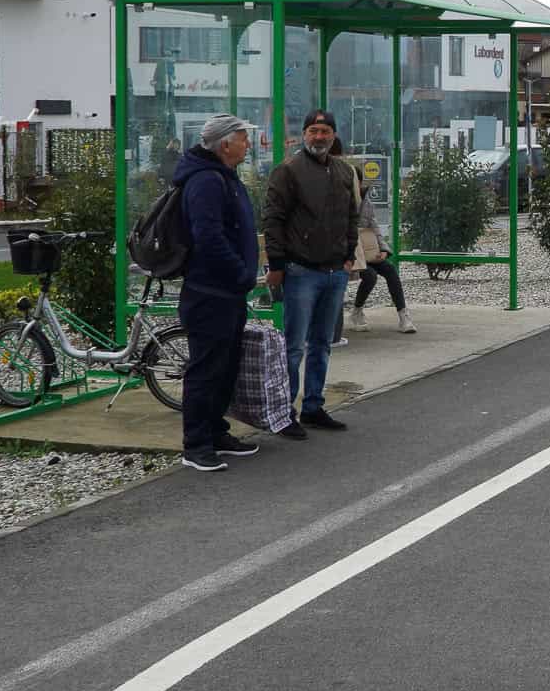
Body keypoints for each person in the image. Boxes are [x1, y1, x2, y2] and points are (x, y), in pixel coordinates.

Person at [174, 115, 261, 473]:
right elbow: (208, 237)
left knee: (225, 368)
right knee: (206, 369)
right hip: (210, 291)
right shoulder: (206, 181)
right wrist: (240, 273)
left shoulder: (224, 177)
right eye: (243, 138)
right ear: (225, 144)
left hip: (228, 291)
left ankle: (216, 431)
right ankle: (195, 444)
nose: (248, 144)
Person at [263, 110, 359, 437]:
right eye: (313, 130)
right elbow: (273, 219)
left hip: (335, 271)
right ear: (304, 134)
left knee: (322, 343)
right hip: (300, 271)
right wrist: (276, 264)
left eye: (325, 131)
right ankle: (283, 412)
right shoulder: (288, 171)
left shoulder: (344, 171)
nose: (319, 137)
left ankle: (313, 406)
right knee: (293, 347)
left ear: (334, 135)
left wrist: (348, 257)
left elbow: (351, 217)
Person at [347, 158, 415, 334]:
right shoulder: (338, 201)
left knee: (390, 270)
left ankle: (403, 314)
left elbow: (375, 226)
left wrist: (384, 249)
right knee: (370, 276)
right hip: (349, 254)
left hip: (368, 251)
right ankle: (357, 311)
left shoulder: (366, 202)